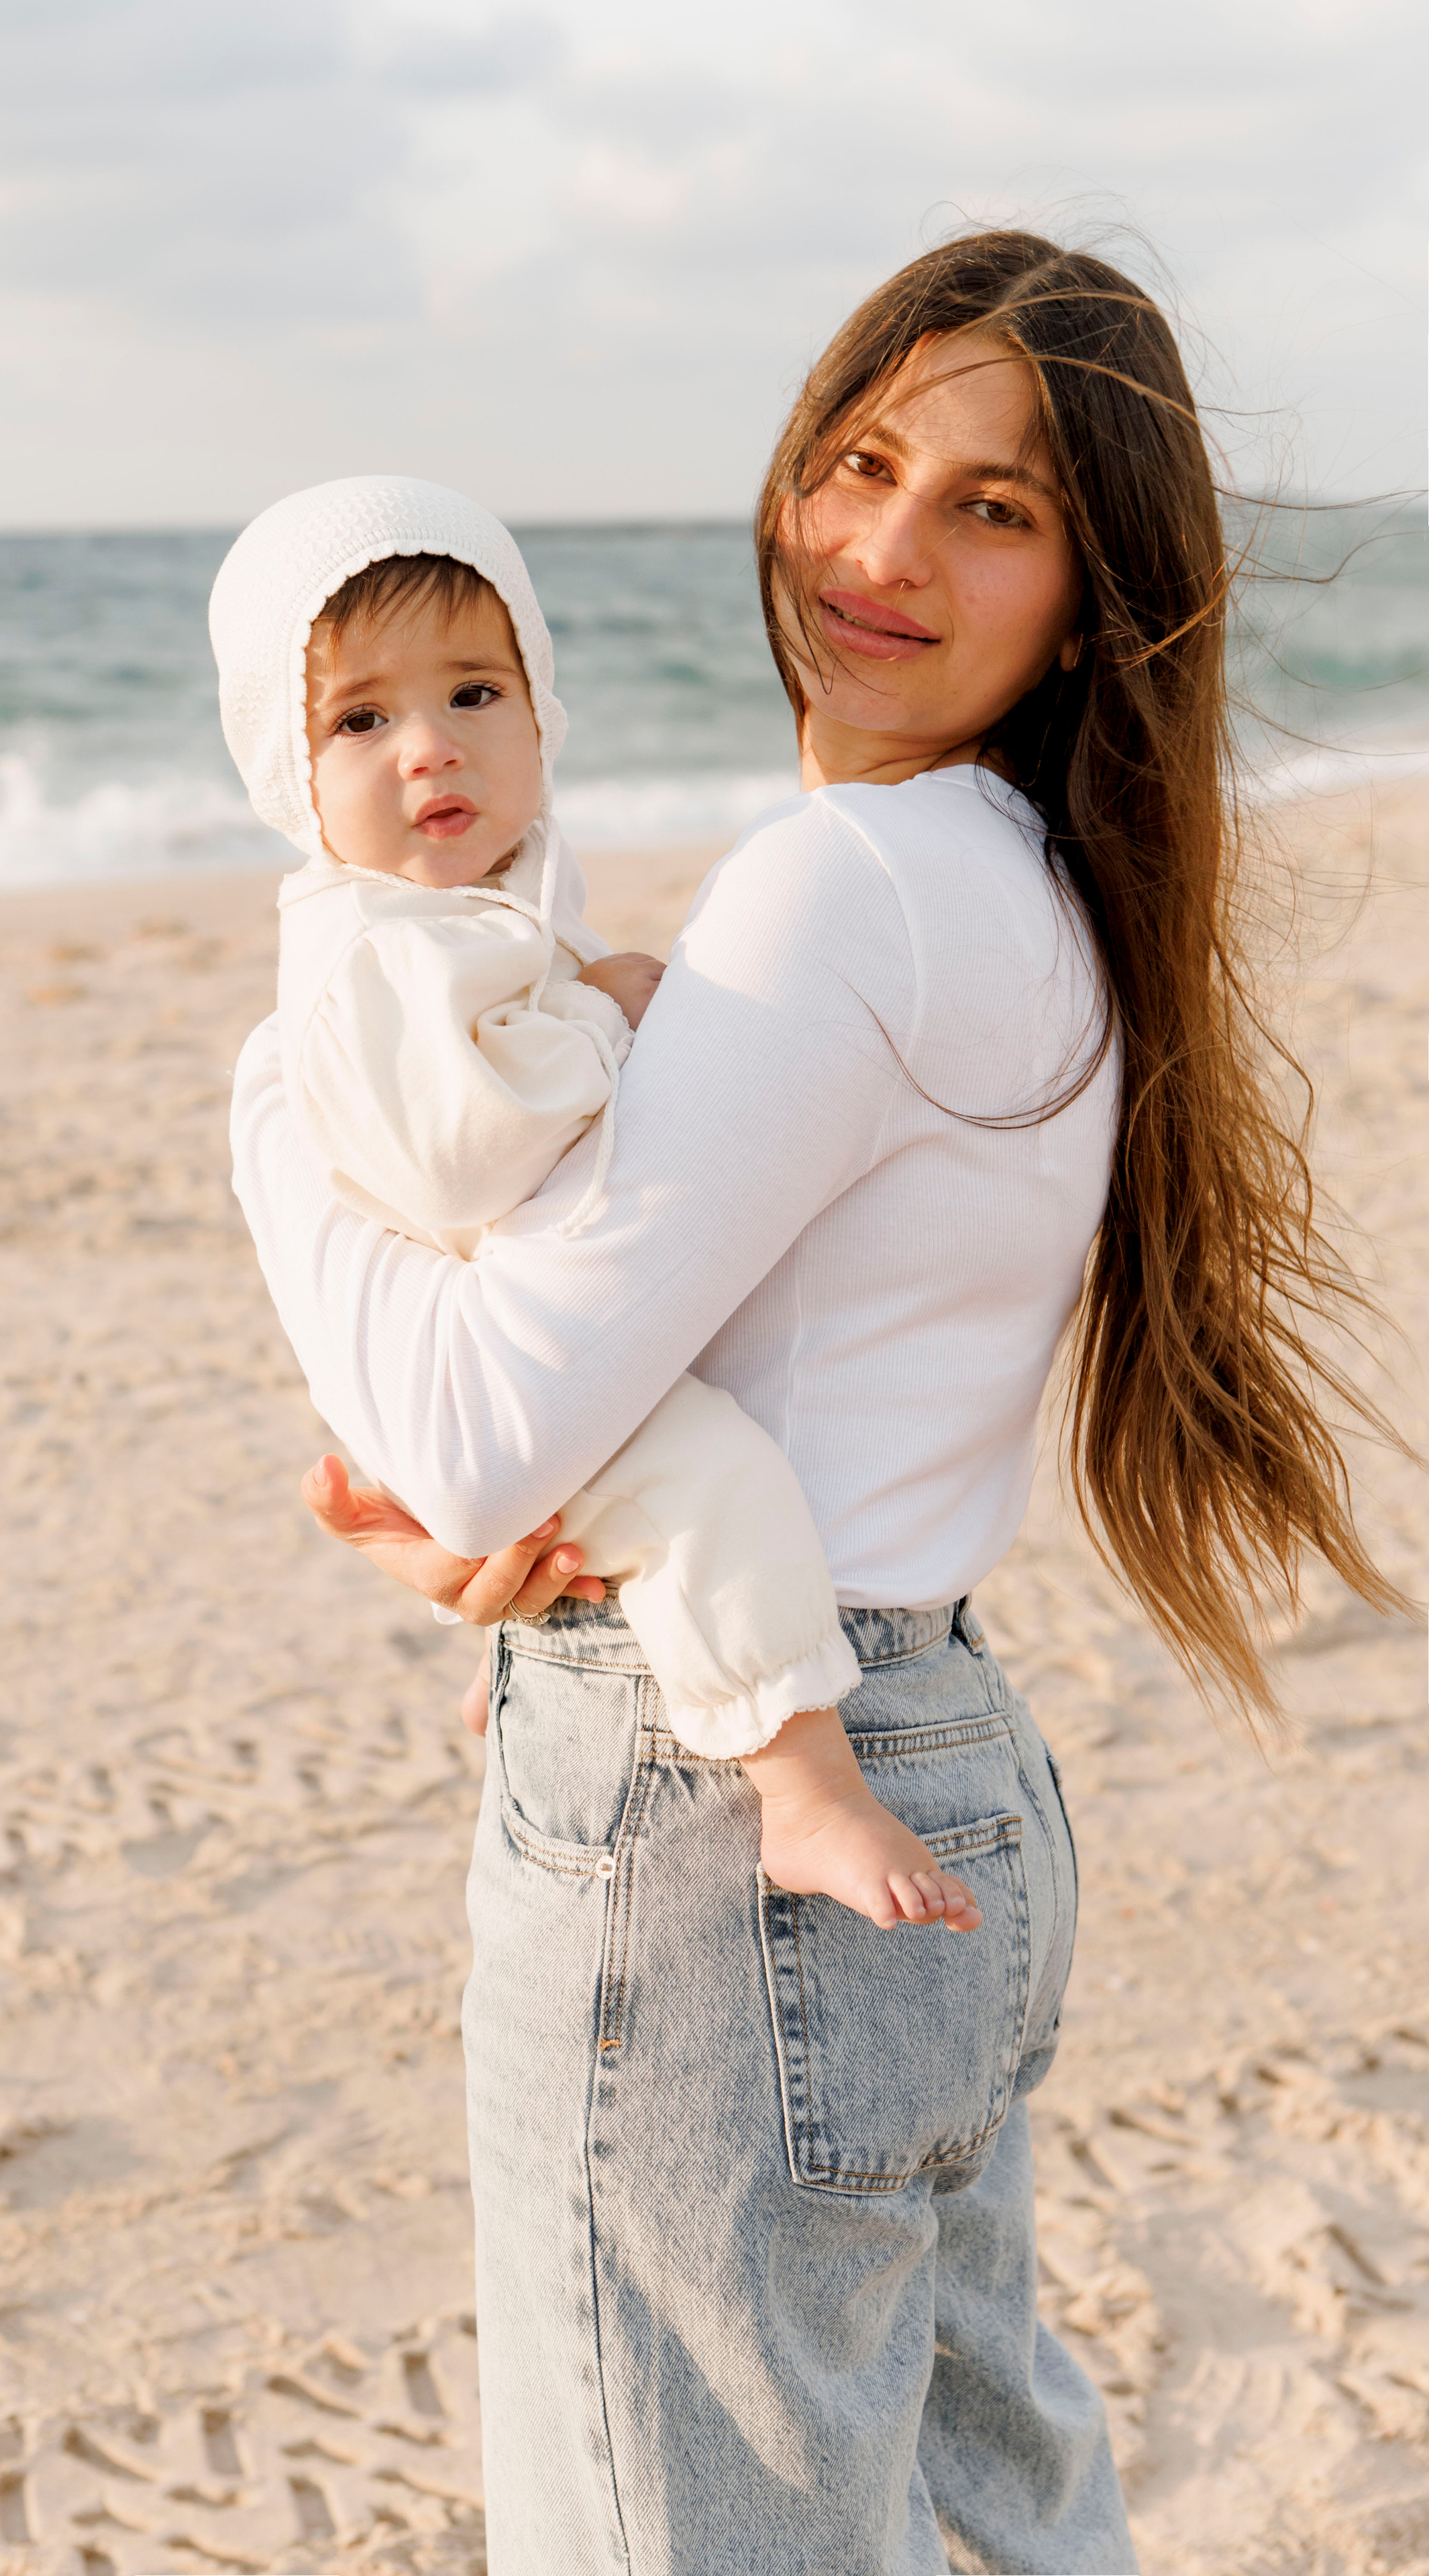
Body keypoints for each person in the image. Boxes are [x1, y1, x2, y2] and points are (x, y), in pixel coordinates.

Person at [227, 232, 1404, 2574]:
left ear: (1090, 593)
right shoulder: (1029, 879)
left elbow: (475, 1425)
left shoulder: (842, 891)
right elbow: (618, 1409)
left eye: (992, 508)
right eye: (862, 459)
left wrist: (273, 1118)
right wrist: (468, 1522)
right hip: (928, 1751)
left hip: (724, 1831)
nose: (880, 546)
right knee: (989, 2503)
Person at [209, 470, 982, 1935]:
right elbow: (459, 1150)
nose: (429, 747)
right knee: (714, 1484)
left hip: (506, 1330)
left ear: (541, 709)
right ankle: (803, 1781)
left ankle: (555, 1658)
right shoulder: (375, 950)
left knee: (643, 1498)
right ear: (283, 774)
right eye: (358, 721)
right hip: (478, 1326)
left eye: (476, 693)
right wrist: (610, 1015)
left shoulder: (473, 900)